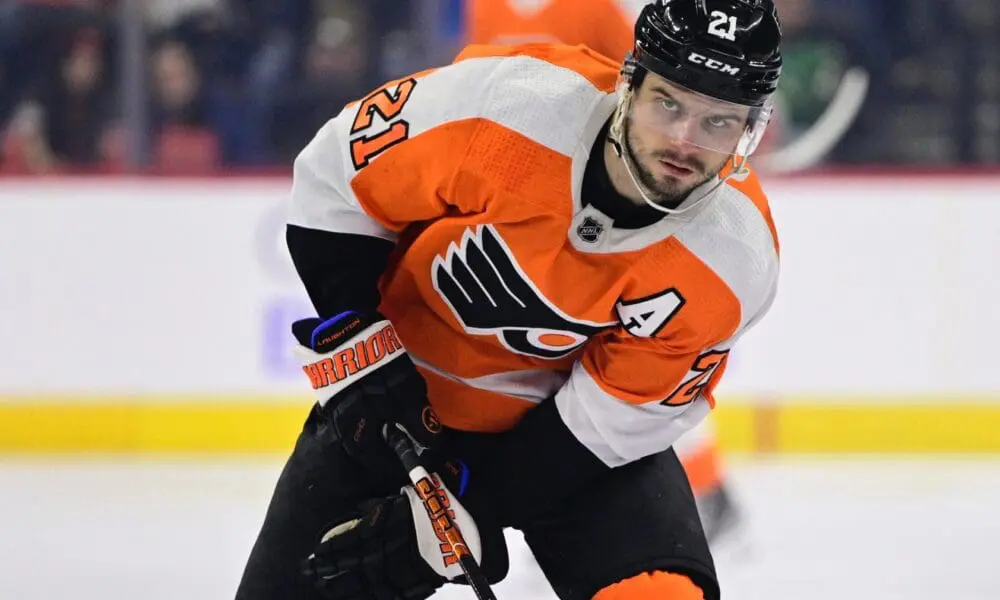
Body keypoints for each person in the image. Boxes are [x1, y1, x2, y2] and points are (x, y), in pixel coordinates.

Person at [235, 1, 782, 599]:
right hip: (397, 408)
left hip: (565, 445)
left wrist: (464, 513)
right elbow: (334, 178)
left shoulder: (732, 260)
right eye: (668, 103)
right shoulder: (507, 106)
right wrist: (358, 341)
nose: (683, 141)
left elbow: (598, 427)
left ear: (751, 131)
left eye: (718, 122)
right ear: (629, 83)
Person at [465, 0, 754, 549]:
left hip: (608, 201)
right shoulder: (483, 6)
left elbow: (643, 83)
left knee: (638, 368)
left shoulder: (592, 6)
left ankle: (707, 489)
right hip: (531, 201)